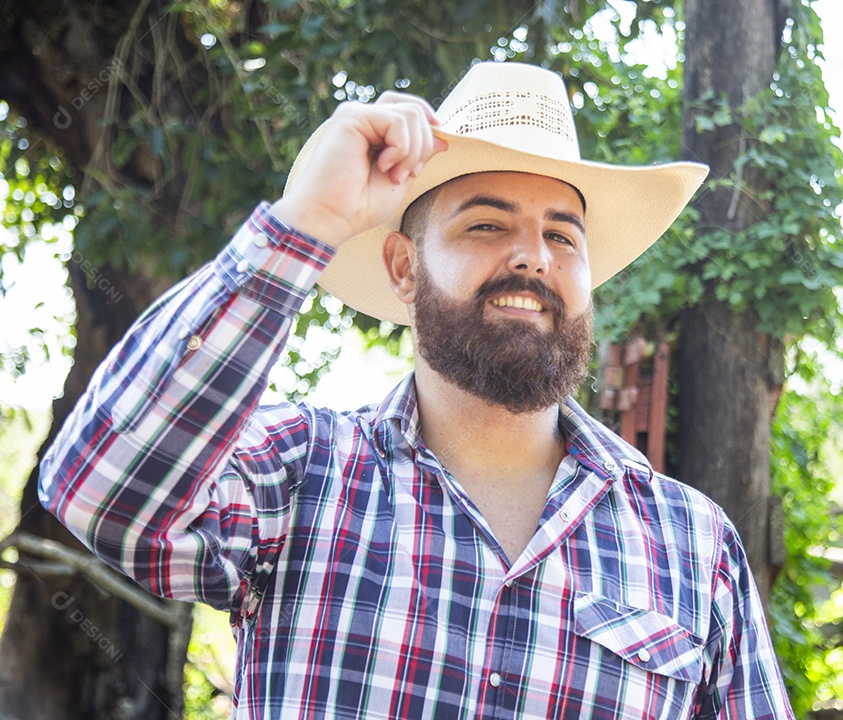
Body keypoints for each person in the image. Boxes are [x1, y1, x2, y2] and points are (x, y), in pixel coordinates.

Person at [40, 62, 794, 719]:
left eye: (563, 236)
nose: (532, 256)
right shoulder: (296, 471)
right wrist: (309, 220)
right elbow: (97, 489)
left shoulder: (693, 544)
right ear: (403, 268)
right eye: (487, 225)